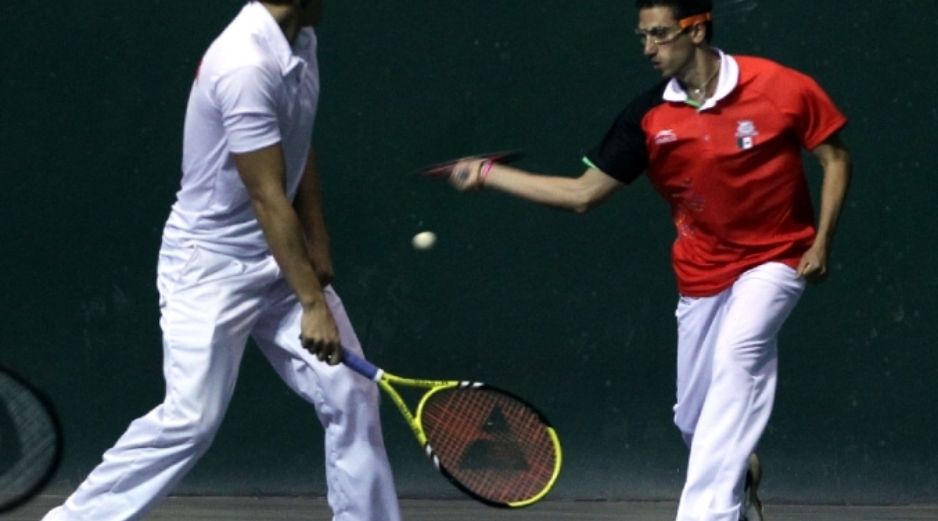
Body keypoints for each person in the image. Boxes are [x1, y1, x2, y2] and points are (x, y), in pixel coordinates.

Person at [446, 1, 851, 520]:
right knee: (694, 420)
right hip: (702, 271)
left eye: (658, 35)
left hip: (777, 257)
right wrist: (488, 174)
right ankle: (741, 473)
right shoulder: (648, 115)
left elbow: (835, 157)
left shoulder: (779, 86)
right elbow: (583, 194)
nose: (648, 49)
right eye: (642, 37)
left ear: (697, 29)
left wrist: (822, 242)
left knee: (739, 353)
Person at [43, 1, 402, 520]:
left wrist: (318, 240)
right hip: (210, 265)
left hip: (279, 256)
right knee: (191, 420)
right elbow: (265, 195)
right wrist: (312, 302)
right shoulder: (244, 63)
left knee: (352, 391)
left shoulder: (300, 41)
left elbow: (298, 142)